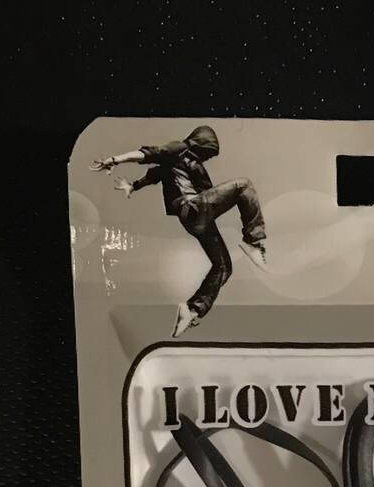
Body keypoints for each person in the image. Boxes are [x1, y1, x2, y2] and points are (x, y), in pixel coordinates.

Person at [91, 126, 267, 336]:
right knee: (244, 185)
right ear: (199, 143)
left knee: (223, 267)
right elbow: (148, 154)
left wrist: (133, 186)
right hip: (192, 207)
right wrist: (115, 159)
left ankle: (192, 311)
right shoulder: (179, 148)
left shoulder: (176, 164)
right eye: (206, 153)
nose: (206, 159)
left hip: (198, 220)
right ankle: (253, 241)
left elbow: (153, 175)